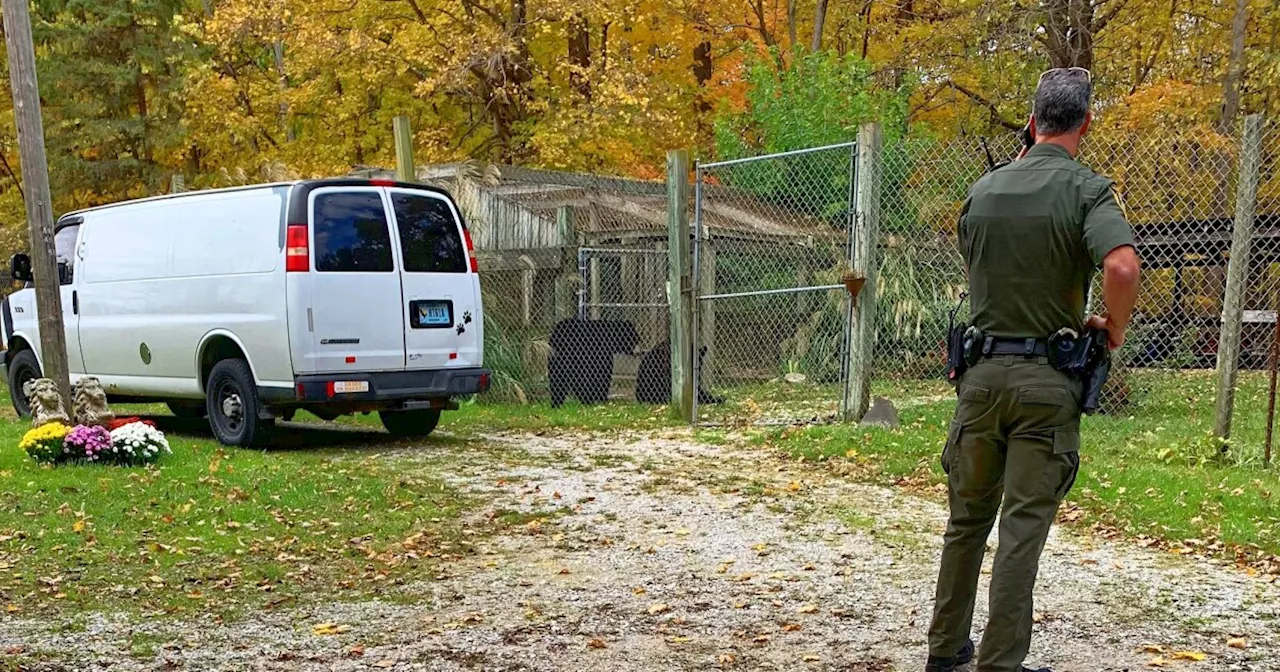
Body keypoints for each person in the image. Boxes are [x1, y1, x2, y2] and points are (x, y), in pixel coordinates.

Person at [924, 68, 1142, 672]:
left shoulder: (983, 190)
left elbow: (975, 260)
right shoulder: (1088, 190)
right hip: (1047, 383)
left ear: (1032, 121)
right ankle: (1000, 664)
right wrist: (1112, 327)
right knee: (1021, 528)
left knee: (965, 520)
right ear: (1086, 123)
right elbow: (1122, 268)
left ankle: (944, 652)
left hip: (979, 377)